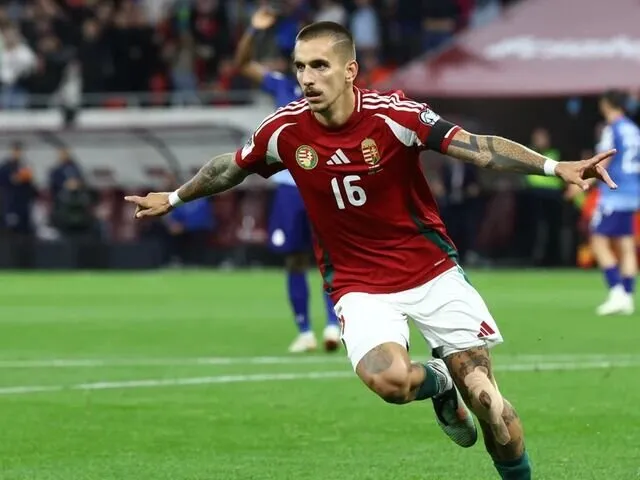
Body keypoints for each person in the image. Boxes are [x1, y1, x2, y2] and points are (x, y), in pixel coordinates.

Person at [125, 22, 616, 480]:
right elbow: (230, 167)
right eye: (300, 66)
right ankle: (440, 383)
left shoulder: (395, 116)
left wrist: (554, 168)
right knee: (391, 384)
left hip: (432, 272)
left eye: (320, 65)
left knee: (489, 405)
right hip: (358, 285)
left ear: (350, 70)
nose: (307, 78)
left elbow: (479, 147)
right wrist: (174, 198)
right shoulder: (285, 130)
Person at [234, 7, 340, 353]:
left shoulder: (335, 85)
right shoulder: (281, 85)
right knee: (294, 258)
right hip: (290, 187)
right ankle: (305, 331)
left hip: (324, 185)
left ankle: (334, 325)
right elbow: (242, 64)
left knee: (331, 257)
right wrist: (253, 30)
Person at [568, 89, 639, 315]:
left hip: (614, 194)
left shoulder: (612, 129)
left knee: (598, 241)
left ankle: (617, 292)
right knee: (626, 244)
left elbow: (601, 163)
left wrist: (578, 183)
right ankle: (627, 297)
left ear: (607, 104)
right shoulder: (633, 129)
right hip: (633, 192)